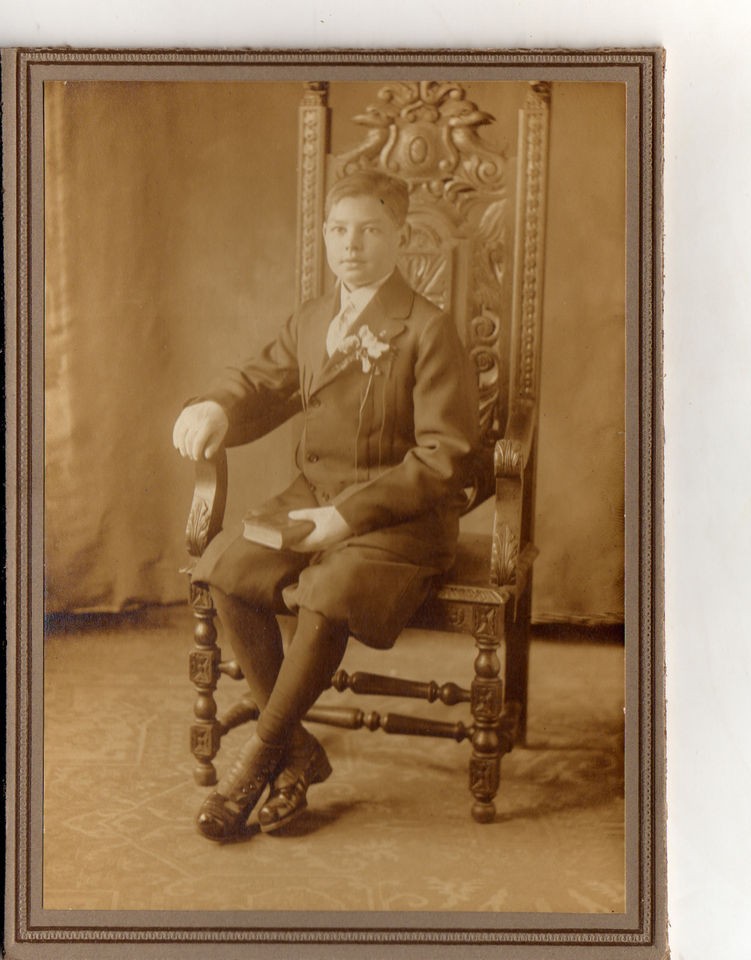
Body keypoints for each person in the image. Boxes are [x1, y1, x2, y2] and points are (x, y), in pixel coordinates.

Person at [172, 170, 479, 841]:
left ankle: (256, 763)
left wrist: (343, 519)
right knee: (225, 566)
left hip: (401, 518)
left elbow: (443, 457)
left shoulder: (427, 330)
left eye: (370, 230)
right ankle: (300, 754)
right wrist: (216, 404)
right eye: (340, 230)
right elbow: (261, 377)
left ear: (399, 237)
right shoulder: (314, 318)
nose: (353, 245)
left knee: (330, 587)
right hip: (312, 496)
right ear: (324, 235)